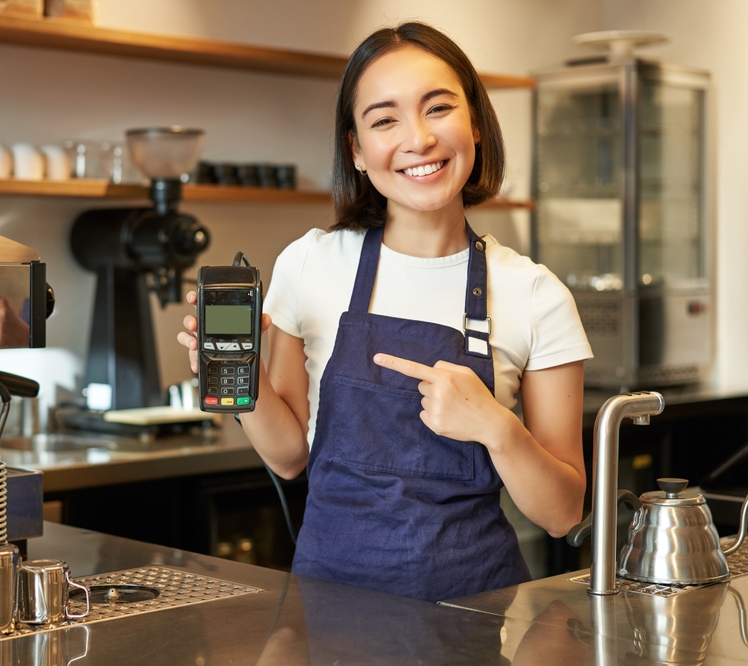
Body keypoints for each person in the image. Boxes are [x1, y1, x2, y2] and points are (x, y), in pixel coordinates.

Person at [178, 22, 592, 602]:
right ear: (356, 147)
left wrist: (497, 428)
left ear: (475, 120)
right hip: (328, 614)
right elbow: (290, 455)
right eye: (384, 118)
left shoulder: (533, 293)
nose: (418, 139)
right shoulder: (309, 264)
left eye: (438, 107)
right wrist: (233, 378)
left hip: (474, 617)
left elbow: (562, 512)